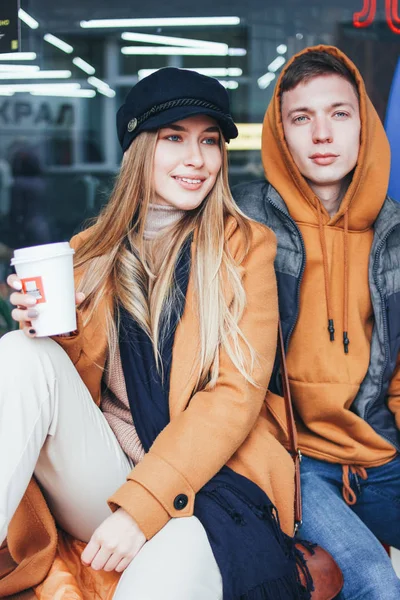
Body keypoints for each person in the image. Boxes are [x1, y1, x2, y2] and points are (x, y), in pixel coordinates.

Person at [0, 68, 310, 600]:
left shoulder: (246, 246)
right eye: (173, 138)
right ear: (138, 150)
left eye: (209, 141)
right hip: (108, 469)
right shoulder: (88, 252)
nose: (197, 158)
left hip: (211, 483)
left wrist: (140, 511)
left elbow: (234, 398)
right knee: (19, 350)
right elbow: (71, 393)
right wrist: (48, 329)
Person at [233, 45, 400, 599]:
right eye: (301, 118)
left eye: (339, 113)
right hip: (294, 456)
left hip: (379, 448)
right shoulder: (246, 222)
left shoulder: (394, 232)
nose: (322, 134)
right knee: (375, 582)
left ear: (364, 127)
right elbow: (146, 239)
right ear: (280, 134)